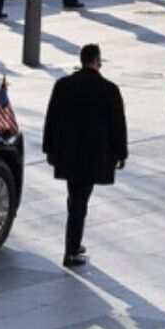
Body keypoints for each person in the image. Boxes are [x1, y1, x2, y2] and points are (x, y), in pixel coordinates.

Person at [42, 44, 127, 268]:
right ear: (97, 61)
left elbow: (51, 120)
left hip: (69, 153)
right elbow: (117, 125)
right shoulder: (109, 90)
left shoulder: (63, 86)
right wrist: (121, 153)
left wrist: (49, 149)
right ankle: (71, 251)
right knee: (80, 200)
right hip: (93, 155)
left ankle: (74, 243)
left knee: (75, 198)